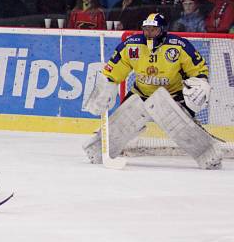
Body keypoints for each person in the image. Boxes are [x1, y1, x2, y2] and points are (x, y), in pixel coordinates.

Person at [83, 13, 220, 169]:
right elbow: (113, 71)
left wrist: (200, 83)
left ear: (162, 30)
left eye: (153, 30)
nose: (148, 33)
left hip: (173, 94)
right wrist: (106, 87)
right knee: (122, 122)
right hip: (140, 93)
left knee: (182, 127)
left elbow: (198, 68)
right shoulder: (132, 45)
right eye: (146, 29)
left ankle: (208, 153)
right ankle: (98, 148)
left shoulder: (178, 45)